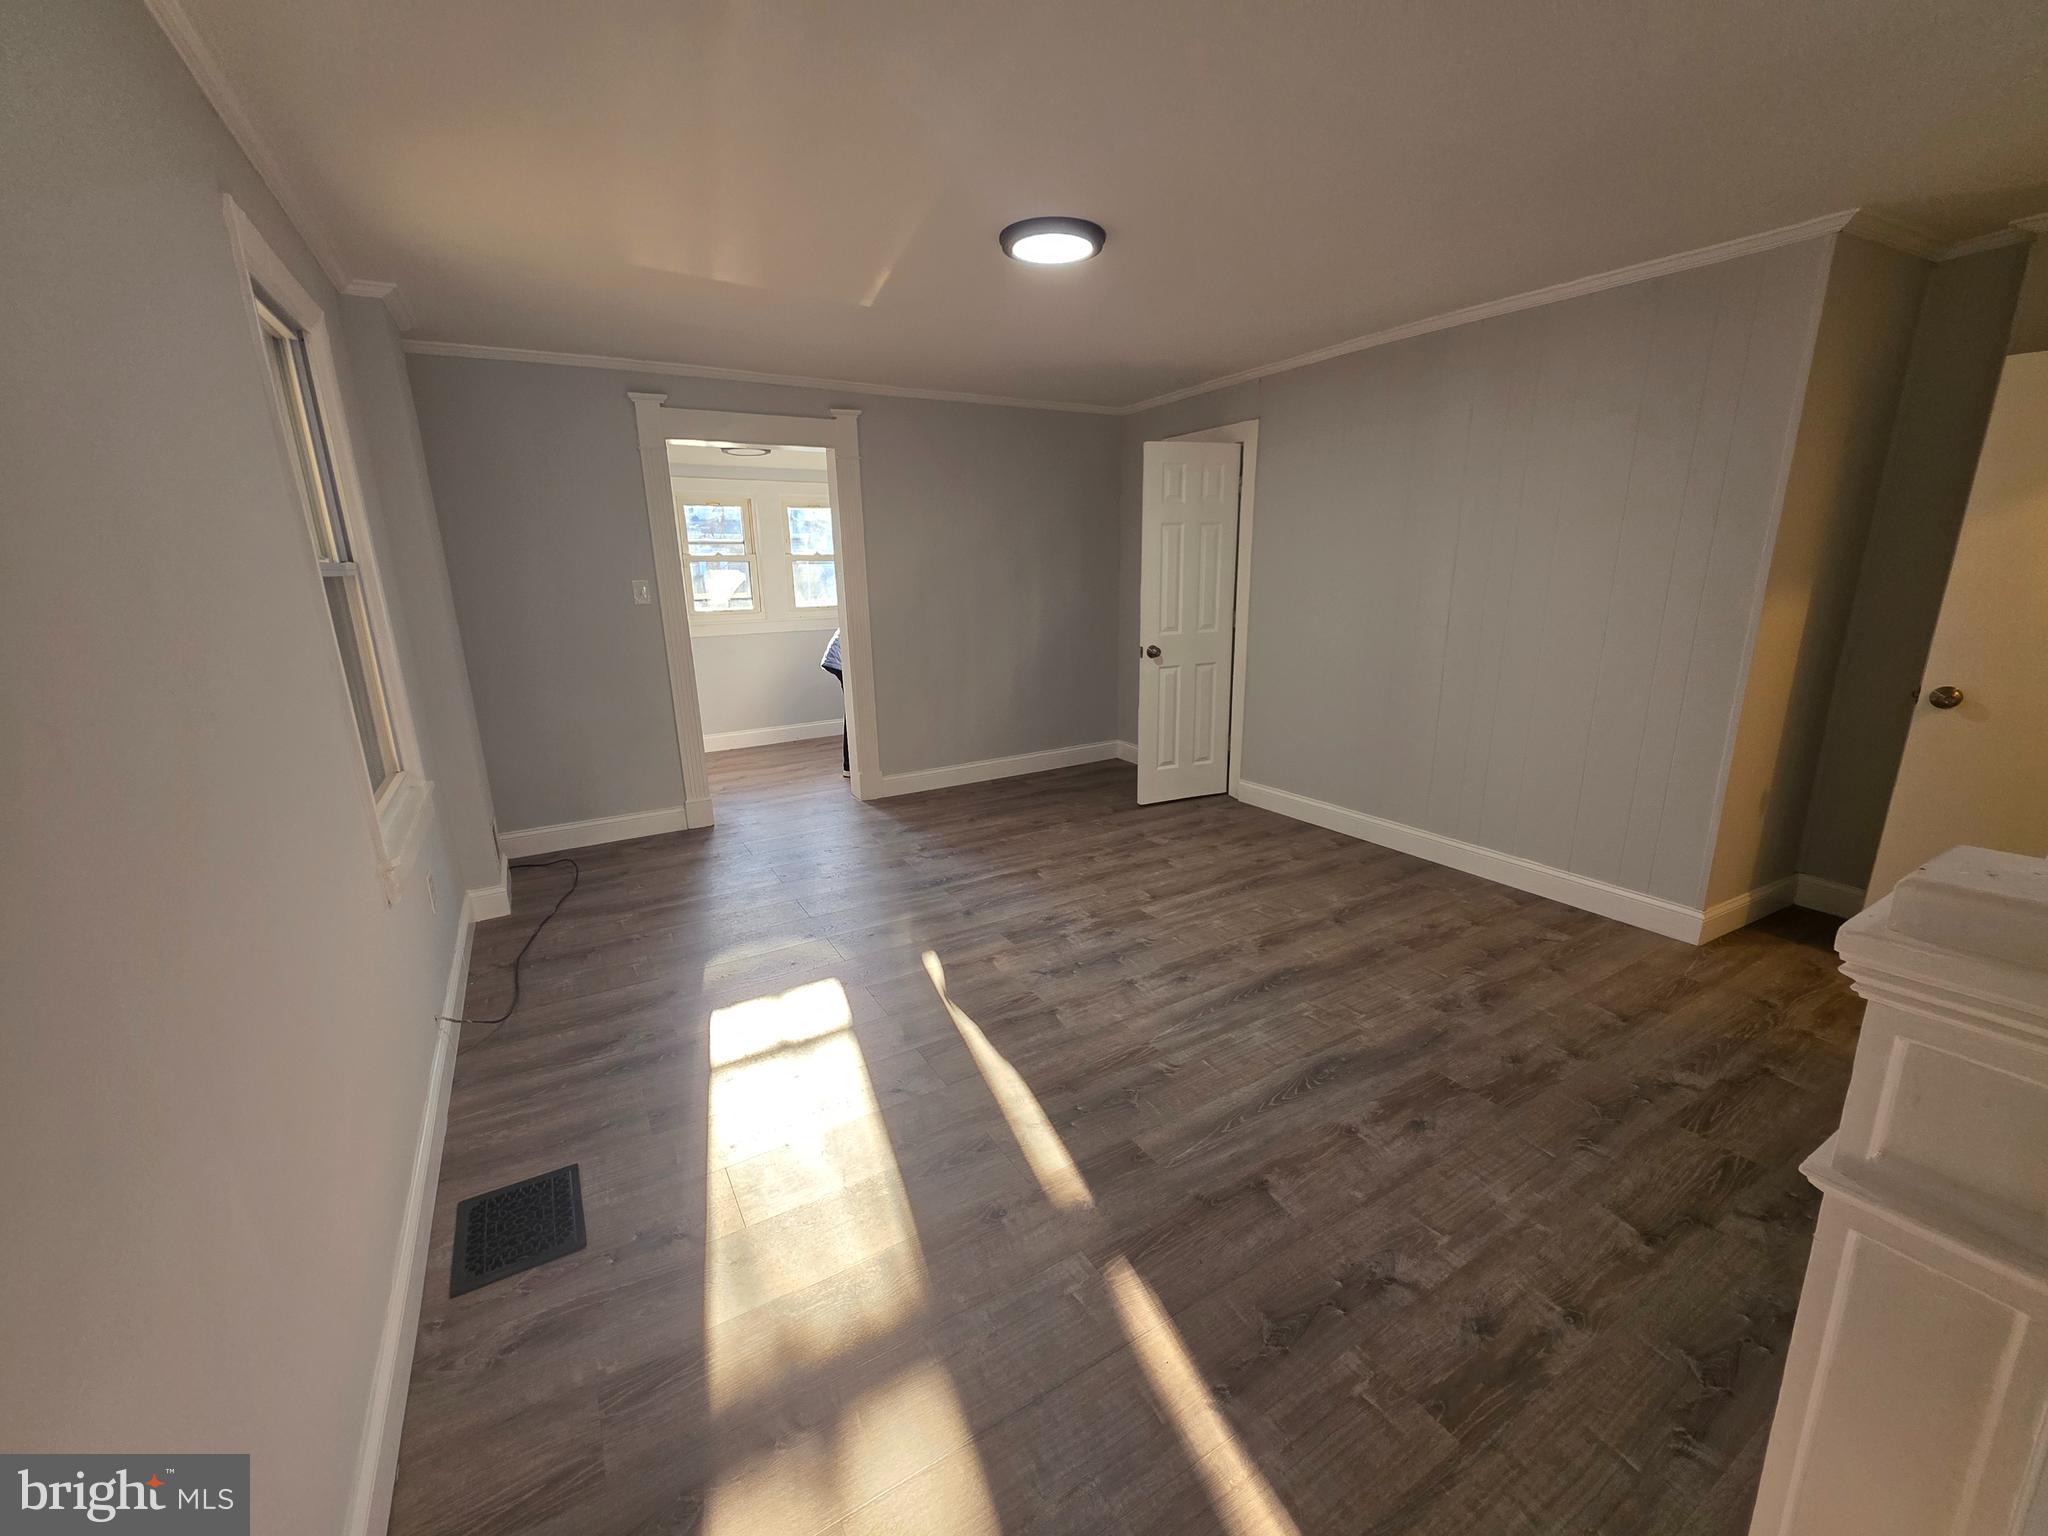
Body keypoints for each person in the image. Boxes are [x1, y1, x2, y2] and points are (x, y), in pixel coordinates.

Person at [820, 628, 847, 776]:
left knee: (853, 712)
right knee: (854, 712)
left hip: (839, 656)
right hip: (841, 659)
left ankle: (850, 766)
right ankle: (850, 766)